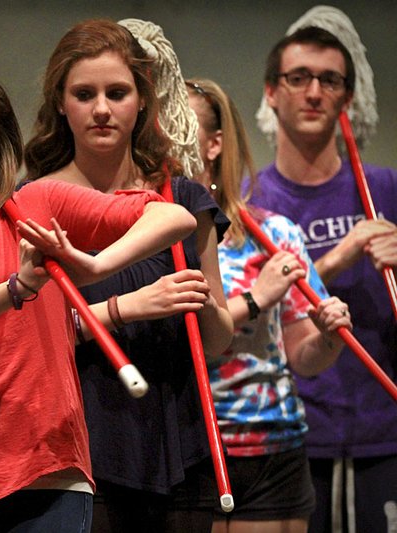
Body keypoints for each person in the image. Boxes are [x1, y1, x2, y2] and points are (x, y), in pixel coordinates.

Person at [0, 62, 197, 532]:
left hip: (46, 479)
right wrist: (13, 290)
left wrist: (95, 265)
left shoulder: (35, 206)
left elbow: (173, 218)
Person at [23, 19, 233, 532]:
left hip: (179, 443)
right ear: (60, 104)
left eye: (117, 93)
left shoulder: (183, 199)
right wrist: (126, 308)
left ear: (142, 101)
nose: (100, 109)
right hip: (78, 450)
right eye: (84, 94)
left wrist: (200, 301)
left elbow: (218, 341)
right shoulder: (30, 204)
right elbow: (24, 343)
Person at [186, 76, 352, 533]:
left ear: (214, 144)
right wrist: (256, 299)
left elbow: (303, 356)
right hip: (190, 446)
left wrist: (331, 337)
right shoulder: (147, 236)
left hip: (273, 447)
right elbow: (193, 340)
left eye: (183, 126)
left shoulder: (276, 234)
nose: (167, 138)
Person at [249, 23, 397, 533]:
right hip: (287, 438)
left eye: (330, 81)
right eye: (299, 77)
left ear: (348, 99)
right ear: (271, 91)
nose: (314, 92)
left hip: (383, 430)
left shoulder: (386, 189)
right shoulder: (247, 204)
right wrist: (335, 259)